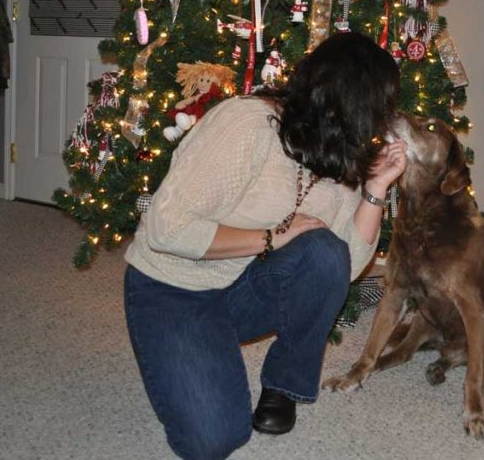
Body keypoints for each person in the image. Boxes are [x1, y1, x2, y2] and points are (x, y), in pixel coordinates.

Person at [123, 32, 407, 459]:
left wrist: (375, 189)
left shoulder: (337, 153)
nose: (384, 120)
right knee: (214, 440)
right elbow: (165, 228)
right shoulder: (246, 124)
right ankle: (195, 346)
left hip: (243, 287)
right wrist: (271, 237)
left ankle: (283, 385)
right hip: (173, 289)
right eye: (380, 106)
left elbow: (344, 266)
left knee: (324, 253)